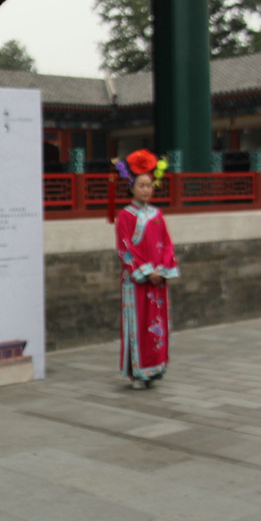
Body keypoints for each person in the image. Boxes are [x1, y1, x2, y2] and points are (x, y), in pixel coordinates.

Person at [113, 149, 180, 389]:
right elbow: (125, 248)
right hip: (137, 280)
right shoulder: (125, 216)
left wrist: (162, 270)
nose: (146, 189)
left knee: (157, 325)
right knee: (138, 324)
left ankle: (156, 368)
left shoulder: (157, 215)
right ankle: (138, 373)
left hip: (157, 280)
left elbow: (167, 244)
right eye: (141, 185)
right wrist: (146, 271)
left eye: (149, 185)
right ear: (131, 187)